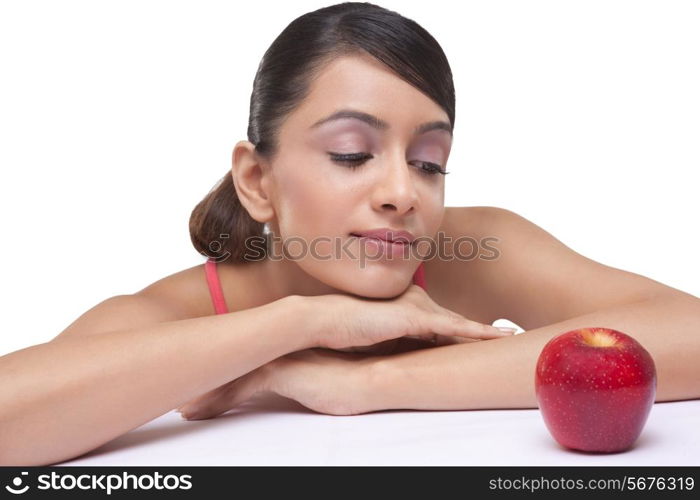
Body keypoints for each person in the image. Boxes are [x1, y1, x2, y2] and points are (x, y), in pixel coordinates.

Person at [0, 2, 698, 467]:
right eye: (351, 154)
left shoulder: (478, 251)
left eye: (429, 162)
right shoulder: (164, 318)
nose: (402, 193)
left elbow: (687, 332)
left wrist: (368, 382)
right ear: (256, 179)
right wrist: (303, 322)